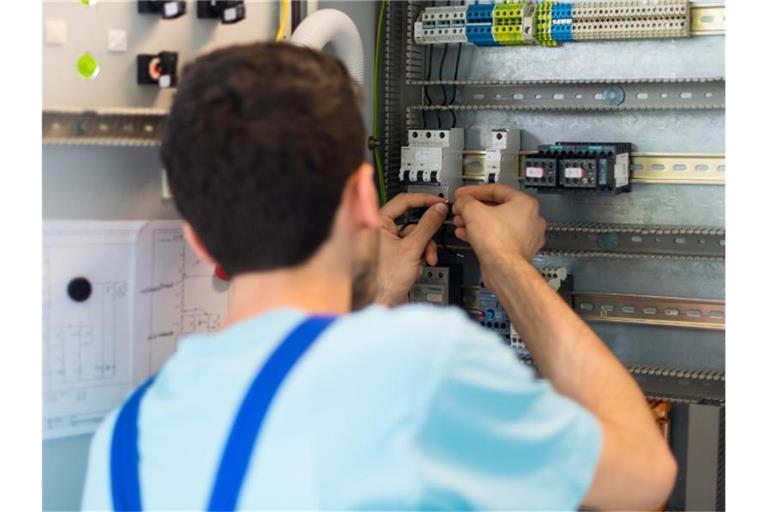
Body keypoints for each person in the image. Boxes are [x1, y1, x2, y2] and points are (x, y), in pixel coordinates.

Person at [82, 43, 676, 511]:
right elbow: (644, 478)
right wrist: (508, 266)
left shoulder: (126, 440)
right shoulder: (419, 368)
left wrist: (383, 298)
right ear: (366, 198)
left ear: (200, 241)